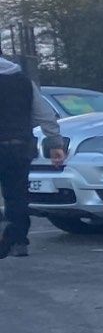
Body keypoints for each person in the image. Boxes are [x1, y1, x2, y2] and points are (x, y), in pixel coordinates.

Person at [0, 55, 54, 259]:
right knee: (17, 196)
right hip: (21, 146)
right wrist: (55, 141)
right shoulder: (23, 80)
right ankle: (19, 242)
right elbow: (44, 114)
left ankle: (4, 229)